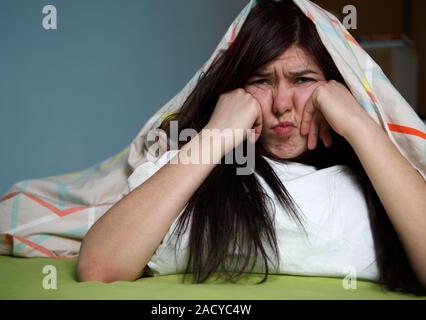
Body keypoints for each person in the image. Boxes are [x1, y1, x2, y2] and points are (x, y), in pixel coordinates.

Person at [77, 0, 426, 295]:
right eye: (261, 81)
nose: (281, 105)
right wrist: (217, 133)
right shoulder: (183, 168)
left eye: (303, 80)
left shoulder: (384, 186)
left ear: (337, 86)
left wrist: (358, 122)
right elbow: (100, 266)